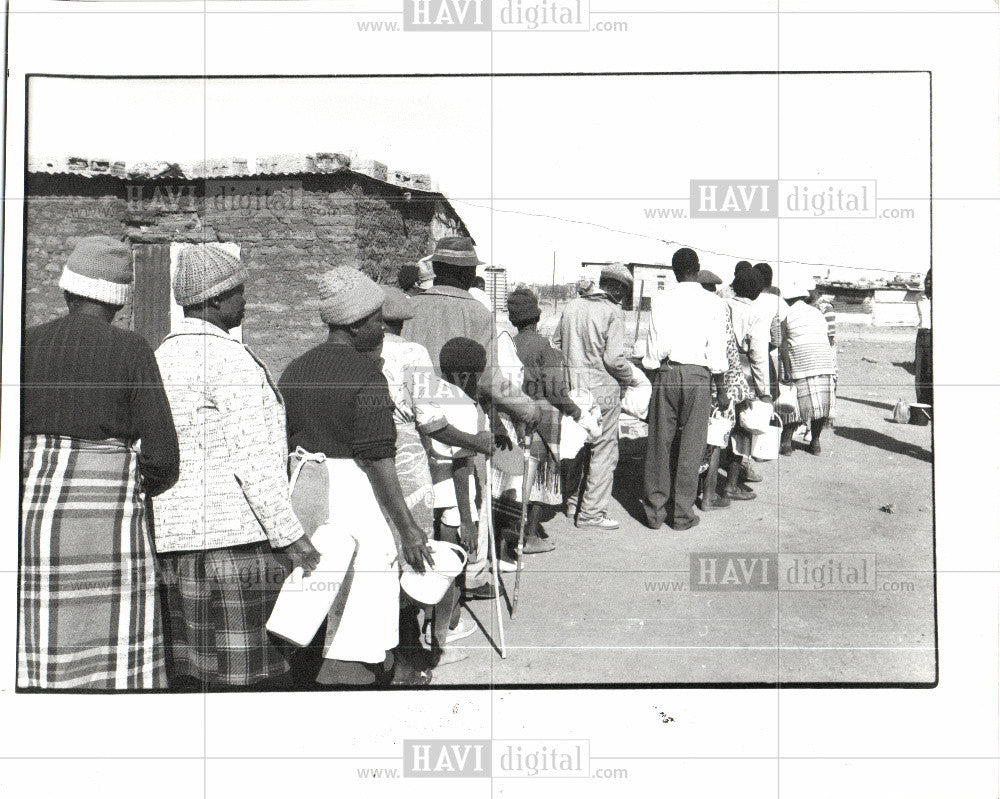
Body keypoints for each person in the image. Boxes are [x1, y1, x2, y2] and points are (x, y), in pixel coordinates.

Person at [152, 244, 319, 690]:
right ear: (215, 298)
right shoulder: (228, 359)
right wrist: (291, 535)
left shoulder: (160, 357)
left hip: (173, 545)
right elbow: (255, 460)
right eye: (238, 292)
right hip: (234, 546)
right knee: (247, 678)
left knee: (190, 674)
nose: (244, 302)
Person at [19, 236, 180, 690]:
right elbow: (163, 454)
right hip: (110, 511)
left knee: (38, 622)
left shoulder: (25, 344)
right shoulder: (132, 350)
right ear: (120, 301)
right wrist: (134, 483)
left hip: (32, 507)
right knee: (115, 630)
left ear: (68, 290)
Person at [280, 266, 434, 687]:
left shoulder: (295, 370)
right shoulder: (367, 376)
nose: (382, 329)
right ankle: (358, 679)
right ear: (354, 324)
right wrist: (407, 529)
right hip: (354, 492)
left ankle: (308, 675)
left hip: (307, 489)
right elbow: (378, 458)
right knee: (364, 586)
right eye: (375, 321)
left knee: (315, 588)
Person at [403, 236, 540, 600]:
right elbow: (490, 378)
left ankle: (422, 582)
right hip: (461, 419)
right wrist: (527, 409)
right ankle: (471, 579)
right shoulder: (478, 313)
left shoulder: (410, 305)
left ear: (438, 271)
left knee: (424, 498)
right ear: (467, 274)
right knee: (468, 500)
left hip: (415, 417)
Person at [379, 288, 495, 668]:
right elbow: (461, 465)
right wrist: (467, 518)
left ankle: (420, 632)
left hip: (419, 487)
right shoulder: (461, 403)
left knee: (423, 567)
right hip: (451, 498)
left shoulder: (435, 390)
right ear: (467, 375)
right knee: (449, 570)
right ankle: (440, 637)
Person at [641, 248, 730, 531]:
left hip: (666, 372)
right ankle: (681, 514)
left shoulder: (661, 298)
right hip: (698, 376)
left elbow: (653, 348)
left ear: (674, 271)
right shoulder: (714, 302)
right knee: (692, 447)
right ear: (698, 268)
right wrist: (722, 389)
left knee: (658, 444)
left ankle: (654, 512)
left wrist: (656, 372)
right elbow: (717, 350)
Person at [505, 288, 597, 555]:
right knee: (540, 481)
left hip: (511, 419)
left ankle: (510, 534)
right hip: (540, 423)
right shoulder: (545, 349)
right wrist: (579, 413)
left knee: (513, 479)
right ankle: (530, 536)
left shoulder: (507, 344)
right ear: (538, 315)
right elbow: (556, 391)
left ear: (512, 319)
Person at [554, 263, 636, 530]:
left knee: (577, 446)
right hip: (603, 390)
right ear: (619, 288)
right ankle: (591, 514)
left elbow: (556, 343)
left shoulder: (572, 306)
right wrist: (629, 377)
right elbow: (614, 359)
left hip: (572, 388)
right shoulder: (613, 311)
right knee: (603, 450)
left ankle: (572, 503)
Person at [777, 280, 838, 456]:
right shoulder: (817, 313)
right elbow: (827, 338)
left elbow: (783, 345)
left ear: (788, 300)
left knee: (793, 405)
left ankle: (786, 443)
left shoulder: (786, 314)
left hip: (801, 362)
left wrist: (787, 372)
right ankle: (815, 442)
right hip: (824, 362)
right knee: (820, 406)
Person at [914, 268, 932, 407]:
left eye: (931, 281)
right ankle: (922, 405)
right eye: (927, 280)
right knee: (920, 371)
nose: (928, 283)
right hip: (922, 334)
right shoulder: (919, 297)